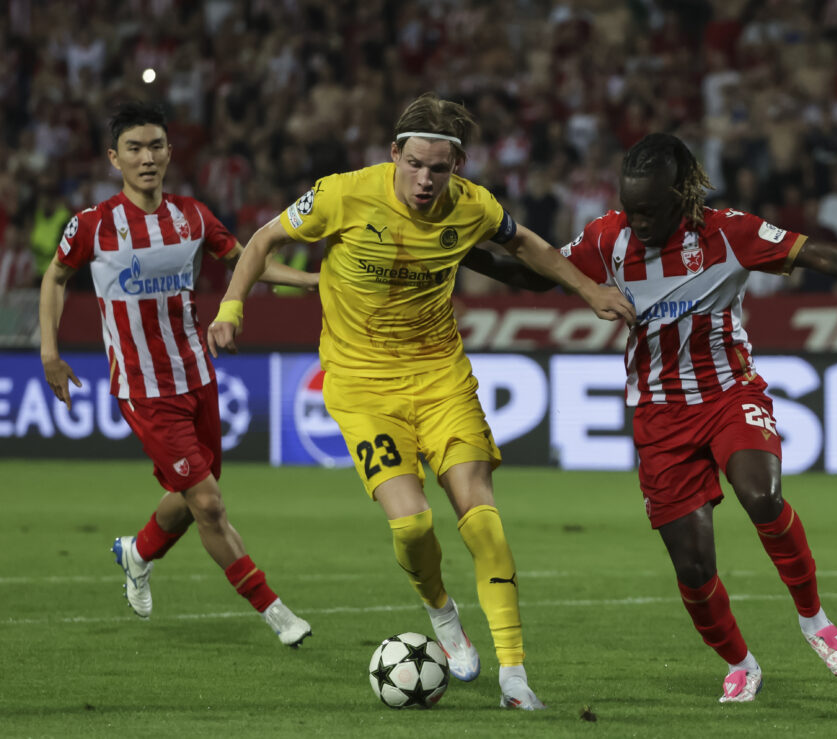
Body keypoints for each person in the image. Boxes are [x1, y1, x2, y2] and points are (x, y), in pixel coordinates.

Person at [476, 132, 837, 703]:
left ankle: (814, 619)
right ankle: (741, 662)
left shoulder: (727, 233)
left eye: (650, 210)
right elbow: (535, 275)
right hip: (659, 419)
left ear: (681, 197)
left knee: (761, 495)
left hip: (729, 396)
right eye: (629, 206)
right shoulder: (607, 237)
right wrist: (460, 251)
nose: (637, 221)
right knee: (692, 566)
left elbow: (812, 252)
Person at [208, 92, 634, 709]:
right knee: (412, 525)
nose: (427, 179)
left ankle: (515, 677)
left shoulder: (473, 206)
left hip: (440, 379)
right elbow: (261, 242)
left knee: (482, 520)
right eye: (416, 164)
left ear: (456, 166)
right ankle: (441, 611)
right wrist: (231, 307)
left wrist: (588, 289)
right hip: (361, 388)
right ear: (394, 155)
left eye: (440, 167)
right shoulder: (342, 194)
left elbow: (528, 246)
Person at [39, 101, 316, 647]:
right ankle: (275, 611)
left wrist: (313, 283)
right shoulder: (93, 226)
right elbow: (54, 279)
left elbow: (246, 260)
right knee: (209, 502)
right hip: (143, 389)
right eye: (135, 148)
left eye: (157, 146)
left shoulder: (192, 216)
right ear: (114, 158)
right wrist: (50, 352)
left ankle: (137, 552)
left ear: (169, 152)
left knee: (194, 496)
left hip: (198, 377)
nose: (148, 158)